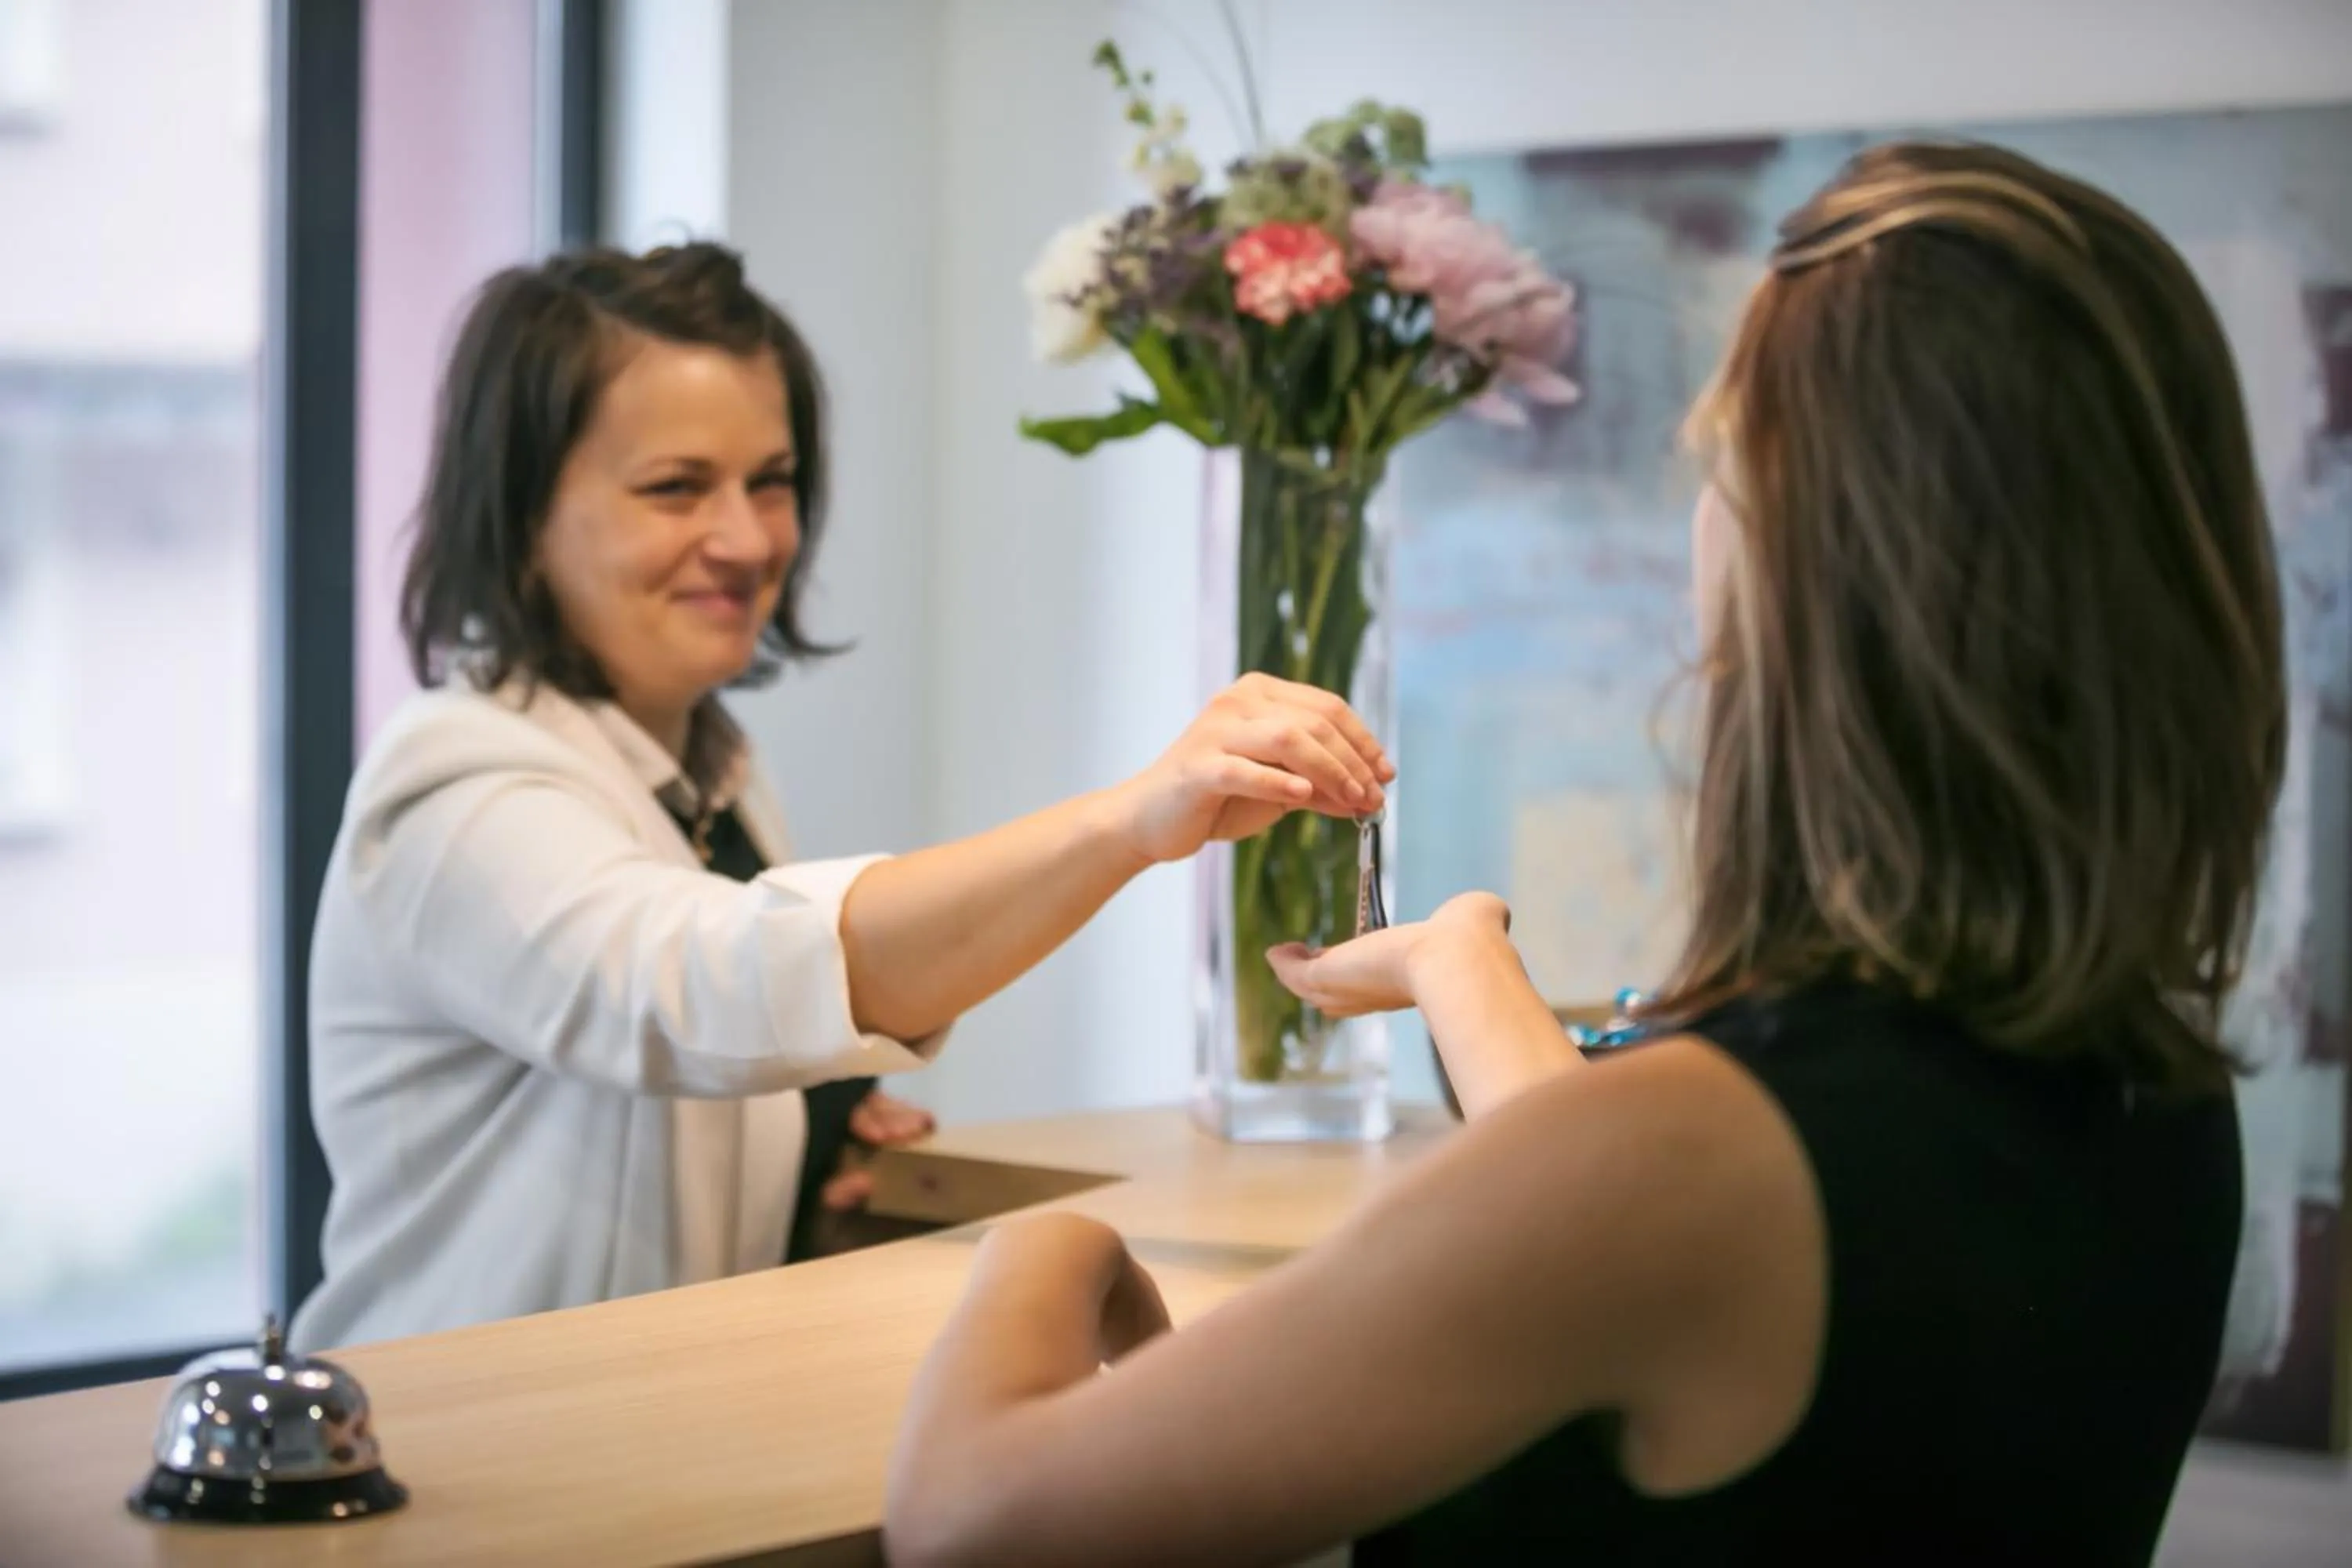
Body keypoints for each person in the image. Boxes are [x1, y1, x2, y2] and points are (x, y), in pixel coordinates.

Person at [884, 141, 2282, 1566]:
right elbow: (1631, 1193)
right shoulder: (2151, 1090)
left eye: (1719, 462)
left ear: (1812, 570)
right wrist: (1453, 958)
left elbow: (971, 1517)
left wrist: (1046, 1248)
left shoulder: (1691, 1164)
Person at [289, 244, 1392, 1351]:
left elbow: (725, 1047)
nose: (748, 539)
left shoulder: (711, 773)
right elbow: (698, 988)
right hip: (446, 1461)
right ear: (521, 514)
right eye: (676, 488)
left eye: (770, 481)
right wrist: (1130, 821)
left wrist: (809, 1172)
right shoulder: (451, 791)